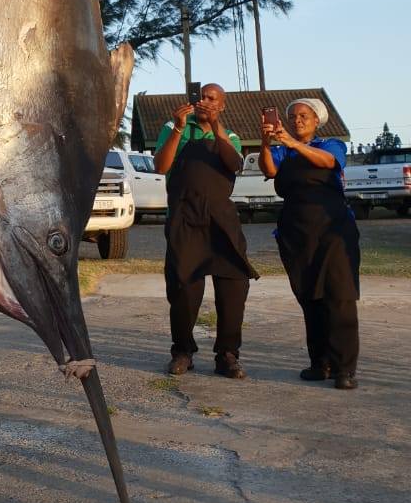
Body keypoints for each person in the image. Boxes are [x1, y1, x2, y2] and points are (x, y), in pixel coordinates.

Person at [153, 83, 259, 379]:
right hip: (184, 219)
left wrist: (215, 125)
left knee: (233, 287)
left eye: (213, 99)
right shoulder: (174, 128)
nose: (205, 102)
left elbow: (233, 163)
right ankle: (183, 352)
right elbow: (161, 166)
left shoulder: (230, 136)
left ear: (221, 106)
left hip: (221, 220)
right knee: (184, 289)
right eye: (202, 97)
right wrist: (177, 128)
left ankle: (227, 354)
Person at [260, 99, 360, 390]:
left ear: (317, 120)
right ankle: (320, 363)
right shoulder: (281, 150)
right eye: (292, 117)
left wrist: (293, 143)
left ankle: (345, 369)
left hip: (333, 230)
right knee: (309, 296)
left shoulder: (332, 144)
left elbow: (328, 163)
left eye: (304, 116)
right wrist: (267, 144)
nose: (297, 120)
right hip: (297, 232)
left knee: (339, 296)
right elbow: (270, 171)